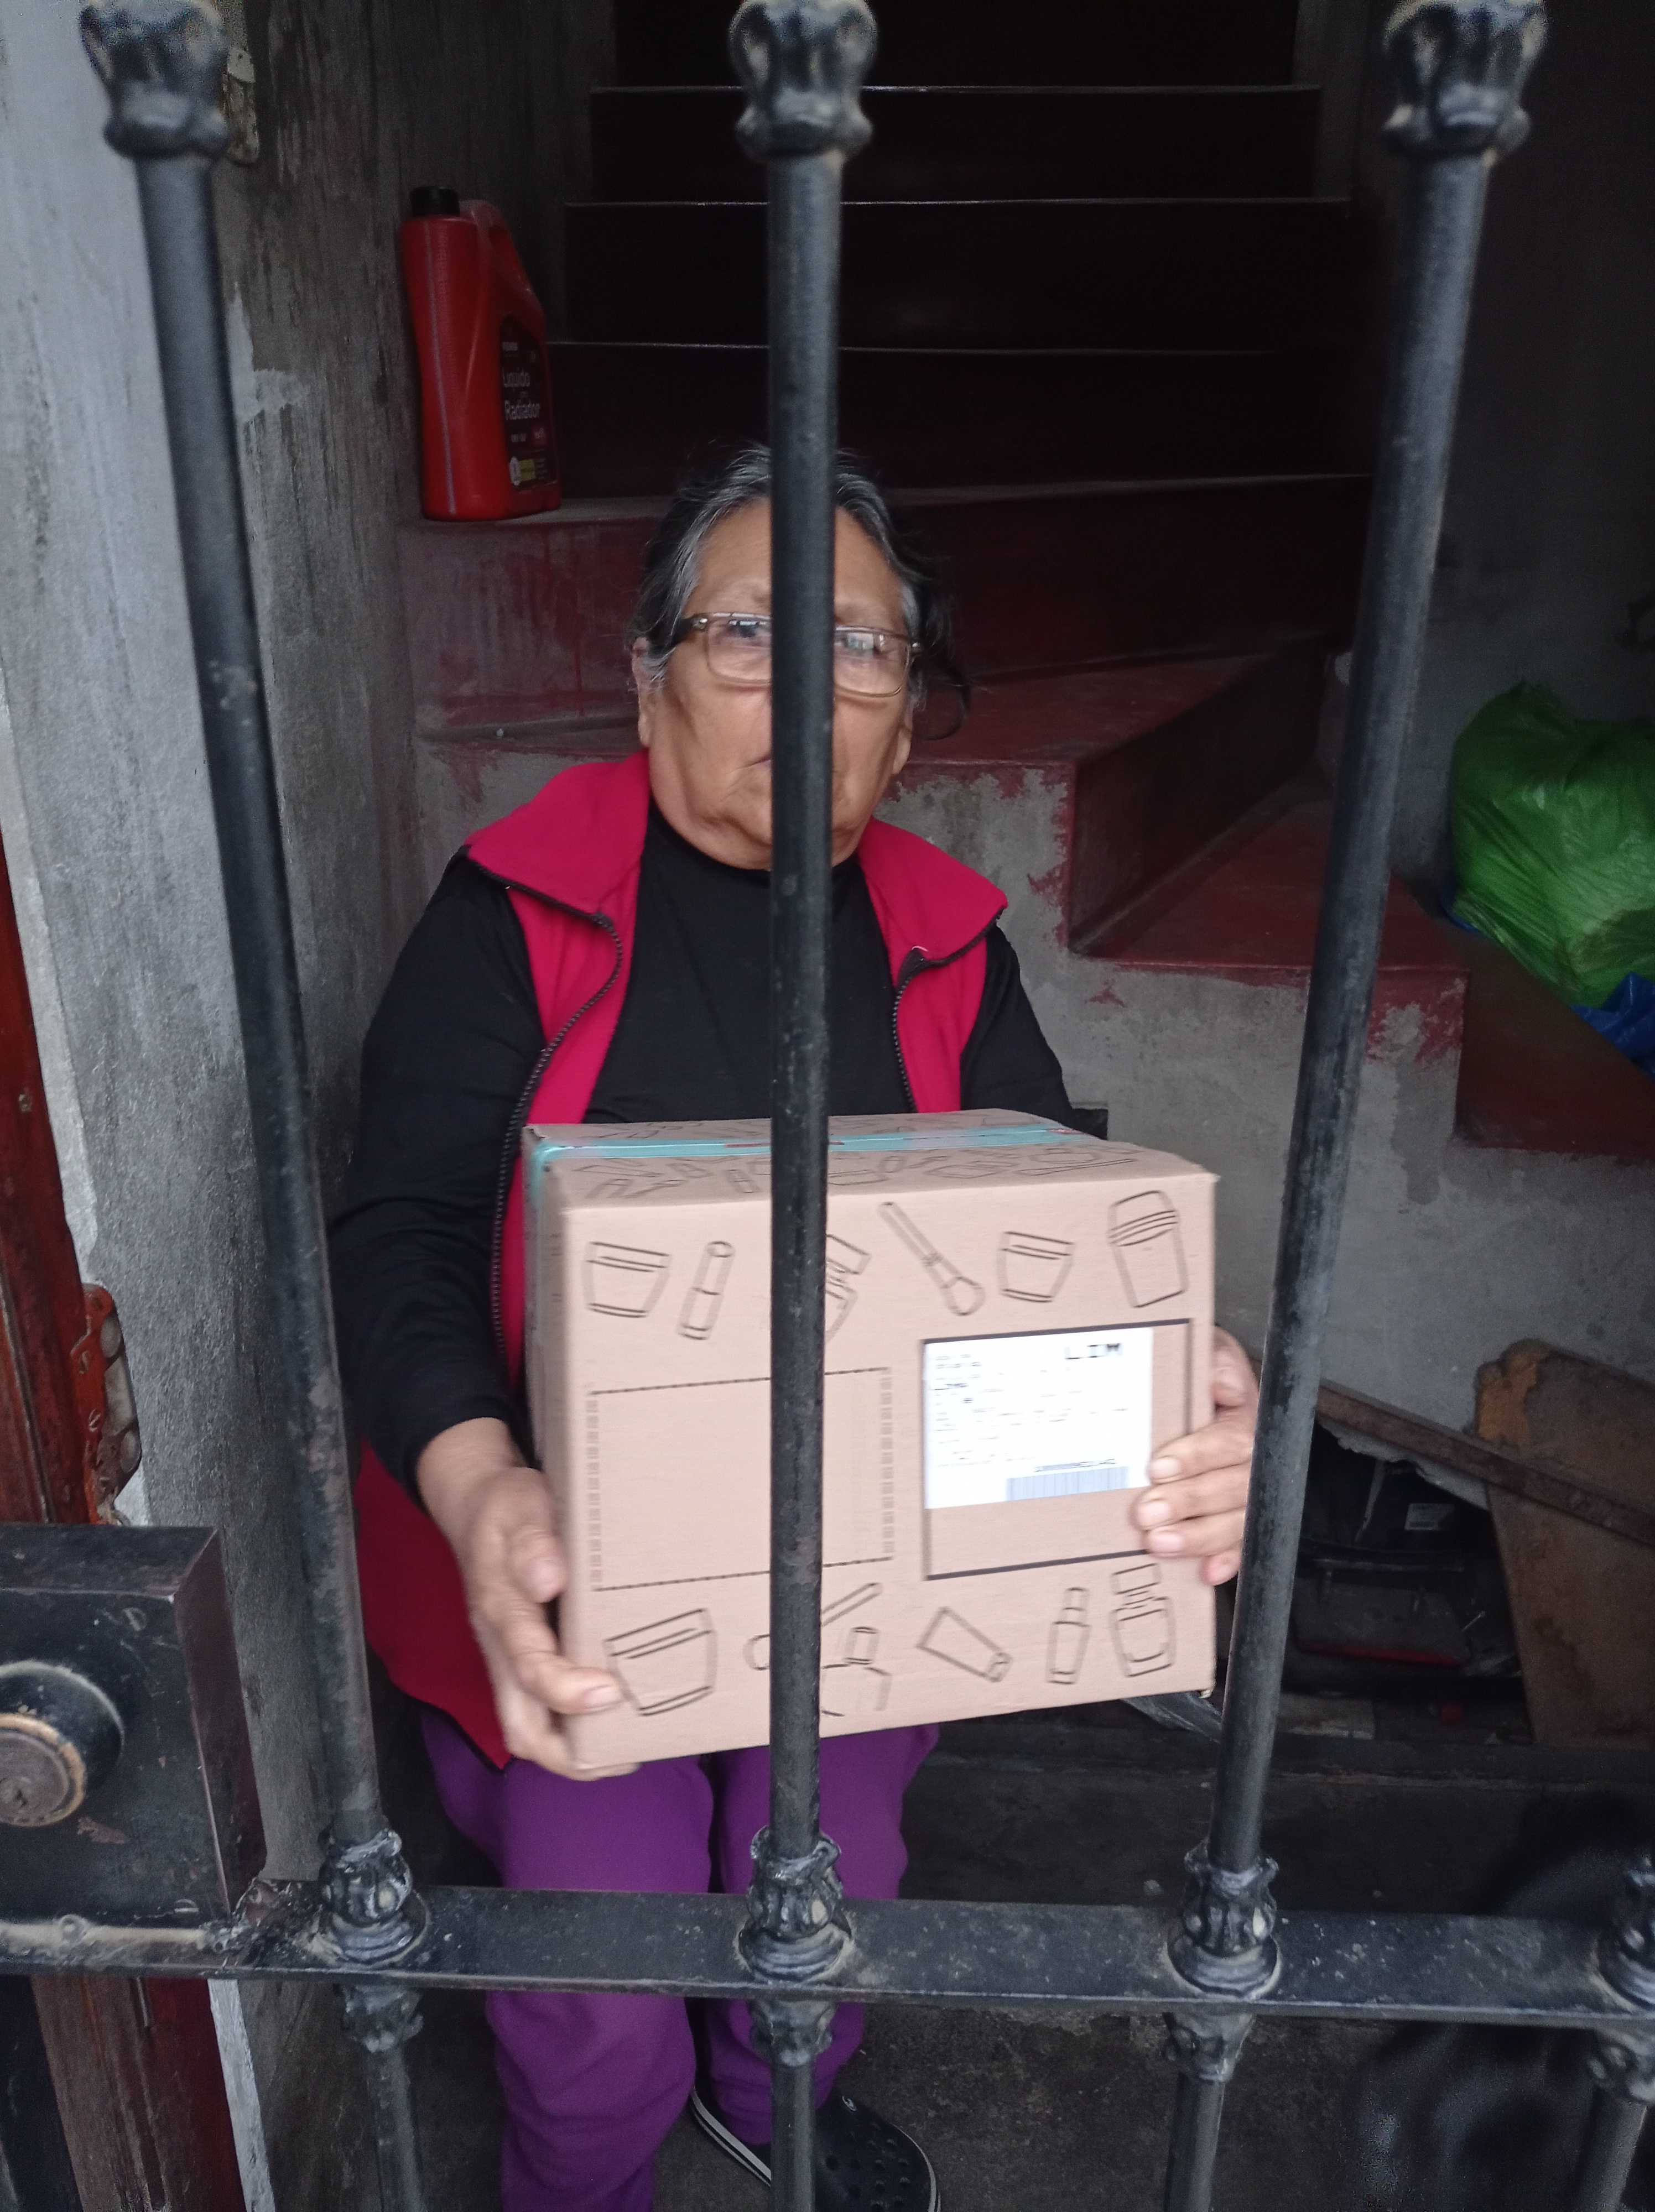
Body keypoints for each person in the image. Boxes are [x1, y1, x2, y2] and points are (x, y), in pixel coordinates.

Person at [332, 445, 1260, 2212]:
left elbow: (1059, 1235)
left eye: (865, 647)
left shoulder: (950, 946)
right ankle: (587, 2180)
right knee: (595, 1987)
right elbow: (403, 1238)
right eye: (752, 632)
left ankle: (779, 2114)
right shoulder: (516, 914)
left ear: (906, 730)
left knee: (828, 1897)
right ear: (649, 681)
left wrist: (1183, 1380)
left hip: (859, 1581)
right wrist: (478, 1485)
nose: (811, 686)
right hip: (582, 1570)